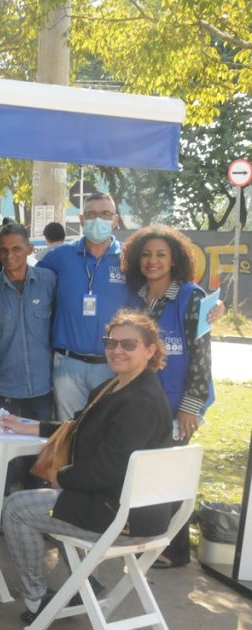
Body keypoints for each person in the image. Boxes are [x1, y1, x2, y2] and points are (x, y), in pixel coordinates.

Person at [0, 311, 173, 624]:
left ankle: (37, 600)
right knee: (47, 503)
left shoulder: (140, 401)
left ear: (150, 350)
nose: (117, 350)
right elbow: (76, 426)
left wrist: (59, 477)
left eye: (128, 344)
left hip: (124, 518)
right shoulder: (115, 386)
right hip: (116, 504)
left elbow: (110, 468)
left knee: (16, 508)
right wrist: (27, 426)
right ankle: (85, 583)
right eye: (111, 342)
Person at [122, 226, 214, 568]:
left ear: (174, 259)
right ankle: (150, 539)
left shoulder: (192, 297)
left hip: (178, 404)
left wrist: (190, 407)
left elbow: (202, 354)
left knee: (169, 474)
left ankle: (174, 551)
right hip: (142, 401)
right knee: (148, 471)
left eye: (161, 254)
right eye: (146, 254)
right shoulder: (138, 298)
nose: (153, 261)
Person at [0, 223, 56, 489]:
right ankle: (1, 508)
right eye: (4, 250)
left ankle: (32, 509)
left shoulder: (49, 282)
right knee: (2, 465)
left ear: (30, 249)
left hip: (41, 389)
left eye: (17, 249)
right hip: (3, 390)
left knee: (38, 461)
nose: (10, 256)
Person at [36, 192, 128, 420]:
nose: (98, 220)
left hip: (112, 364)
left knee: (106, 431)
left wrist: (208, 307)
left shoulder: (128, 259)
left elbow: (162, 287)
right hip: (68, 365)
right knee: (68, 430)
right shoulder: (59, 256)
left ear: (115, 220)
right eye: (91, 214)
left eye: (105, 214)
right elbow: (27, 283)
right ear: (81, 219)